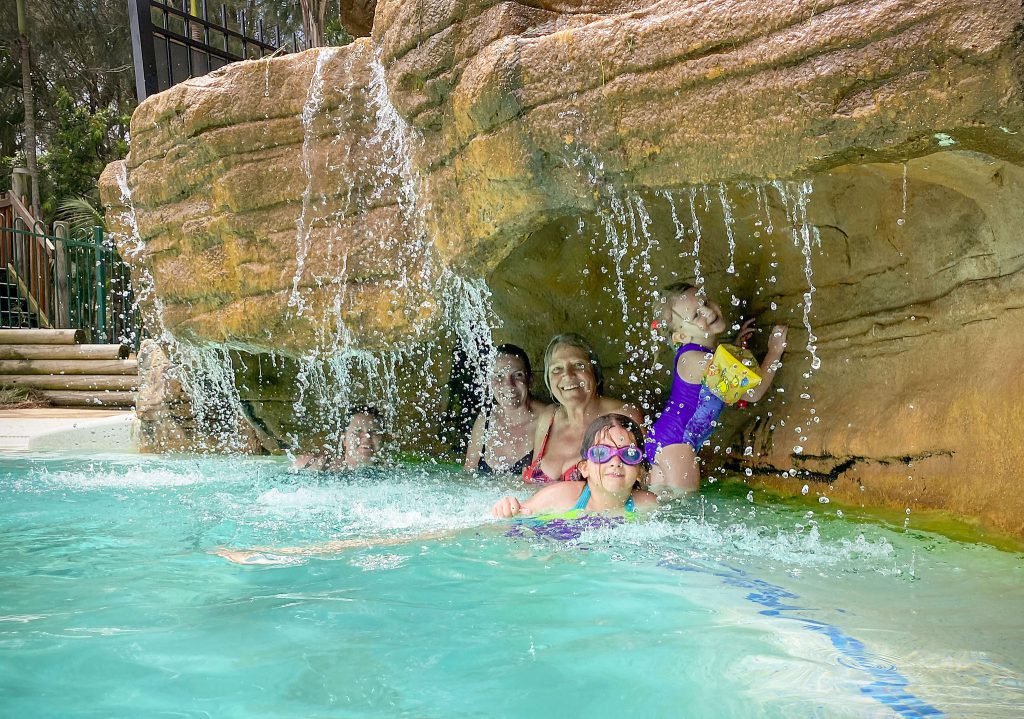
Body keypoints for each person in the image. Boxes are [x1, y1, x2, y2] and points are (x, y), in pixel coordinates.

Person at [646, 282, 787, 494]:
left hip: (664, 442)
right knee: (684, 510)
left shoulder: (697, 353)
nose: (708, 311)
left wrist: (738, 347)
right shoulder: (697, 359)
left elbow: (721, 370)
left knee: (664, 513)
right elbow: (752, 392)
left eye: (705, 302)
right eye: (696, 315)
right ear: (681, 336)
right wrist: (774, 352)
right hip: (676, 444)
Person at [522, 334, 643, 484]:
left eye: (578, 365)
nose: (567, 374)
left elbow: (643, 482)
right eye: (557, 369)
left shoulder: (623, 415)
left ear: (595, 373)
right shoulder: (549, 417)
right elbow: (529, 486)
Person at [492, 413, 656, 518]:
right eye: (601, 453)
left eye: (629, 454)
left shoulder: (647, 505)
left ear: (640, 470)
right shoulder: (559, 497)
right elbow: (517, 517)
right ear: (584, 468)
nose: (615, 462)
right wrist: (506, 510)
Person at [464, 344, 549, 475]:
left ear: (530, 380)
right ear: (490, 382)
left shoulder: (548, 418)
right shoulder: (486, 418)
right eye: (498, 376)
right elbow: (468, 475)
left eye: (517, 375)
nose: (508, 384)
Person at [291, 405, 384, 472]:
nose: (366, 438)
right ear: (344, 439)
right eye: (357, 431)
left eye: (374, 432)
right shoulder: (312, 464)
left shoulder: (390, 473)